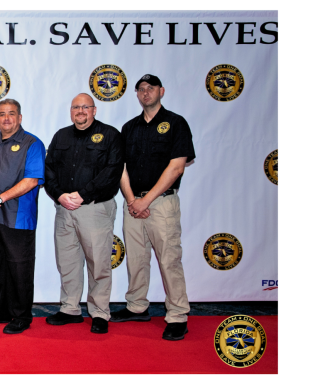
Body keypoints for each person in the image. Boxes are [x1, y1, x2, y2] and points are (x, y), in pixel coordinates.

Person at [112, 75, 196, 342]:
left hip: (160, 204)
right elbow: (121, 168)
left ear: (162, 91)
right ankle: (137, 306)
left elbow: (177, 166)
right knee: (136, 259)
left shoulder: (176, 123)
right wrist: (131, 200)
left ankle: (177, 315)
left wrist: (145, 202)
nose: (145, 93)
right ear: (136, 94)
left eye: (151, 88)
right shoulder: (129, 128)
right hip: (132, 203)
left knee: (169, 260)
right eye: (141, 89)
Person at [44, 94, 125, 335]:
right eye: (76, 107)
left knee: (98, 262)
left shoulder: (110, 135)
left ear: (94, 110)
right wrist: (59, 195)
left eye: (85, 107)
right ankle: (70, 308)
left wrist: (83, 194)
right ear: (71, 111)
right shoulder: (61, 136)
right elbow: (49, 169)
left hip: (94, 208)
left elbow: (112, 171)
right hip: (64, 208)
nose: (80, 111)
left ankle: (100, 312)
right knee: (67, 262)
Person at [0, 99, 46, 335]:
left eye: (11, 114)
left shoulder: (32, 143)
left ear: (20, 118)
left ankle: (22, 315)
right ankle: (2, 309)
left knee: (19, 268)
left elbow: (32, 180)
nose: (6, 118)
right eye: (2, 114)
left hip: (18, 217)